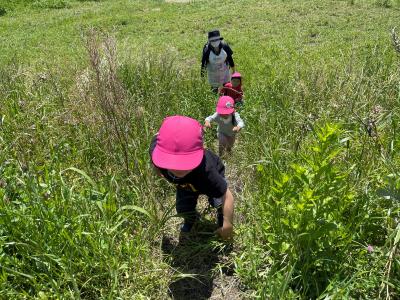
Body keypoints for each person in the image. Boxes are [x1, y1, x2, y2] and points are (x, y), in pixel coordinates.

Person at [149, 115, 234, 240]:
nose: (178, 168)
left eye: (185, 162)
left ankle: (221, 222)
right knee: (183, 208)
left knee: (218, 202)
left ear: (202, 150)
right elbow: (155, 140)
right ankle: (190, 221)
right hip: (185, 186)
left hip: (204, 181)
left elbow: (227, 196)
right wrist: (157, 169)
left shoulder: (207, 171)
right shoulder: (157, 156)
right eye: (171, 161)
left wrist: (228, 225)